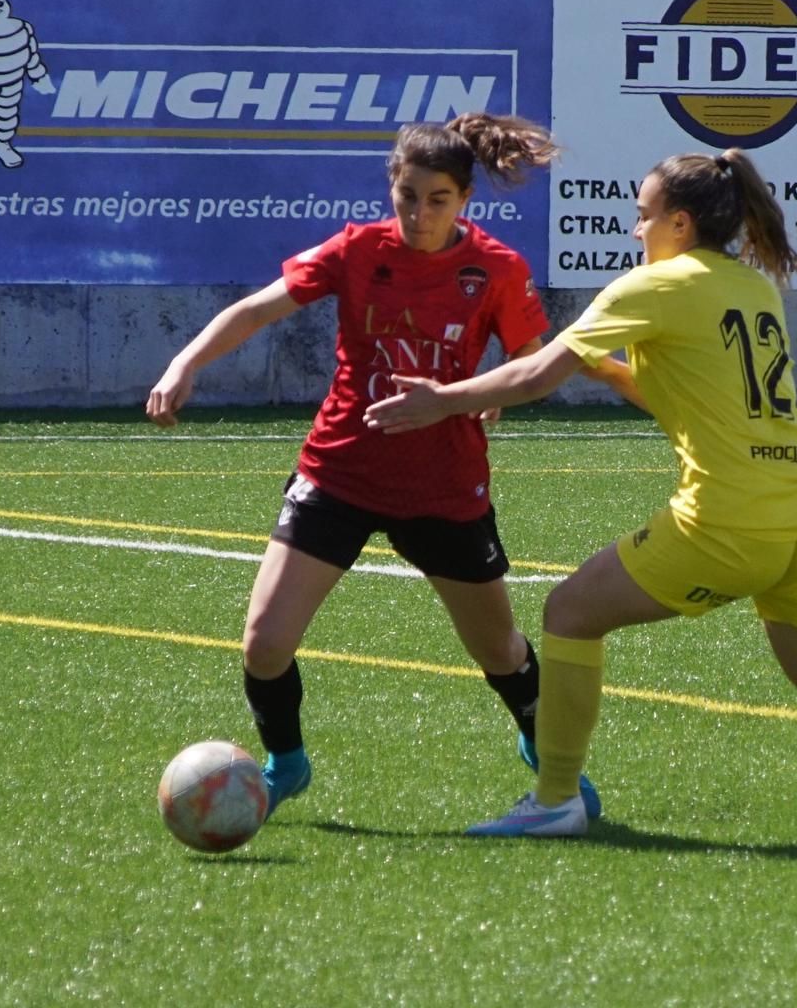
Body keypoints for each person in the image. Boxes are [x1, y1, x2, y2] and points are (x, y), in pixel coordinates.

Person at [364, 148, 797, 842]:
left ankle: (555, 798)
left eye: (642, 216)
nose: (635, 231)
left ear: (678, 224)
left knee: (568, 613)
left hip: (728, 521)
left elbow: (536, 374)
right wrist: (604, 368)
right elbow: (684, 391)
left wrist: (442, 399)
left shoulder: (651, 286)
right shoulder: (751, 288)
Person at [146, 113, 633, 820]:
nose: (419, 214)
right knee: (264, 642)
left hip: (443, 487)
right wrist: (184, 362)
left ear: (465, 200)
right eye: (407, 196)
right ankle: (285, 761)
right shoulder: (356, 251)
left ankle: (547, 759)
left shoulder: (496, 269)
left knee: (499, 649)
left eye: (437, 200)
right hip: (340, 470)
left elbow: (533, 362)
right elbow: (258, 309)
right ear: (391, 188)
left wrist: (476, 396)